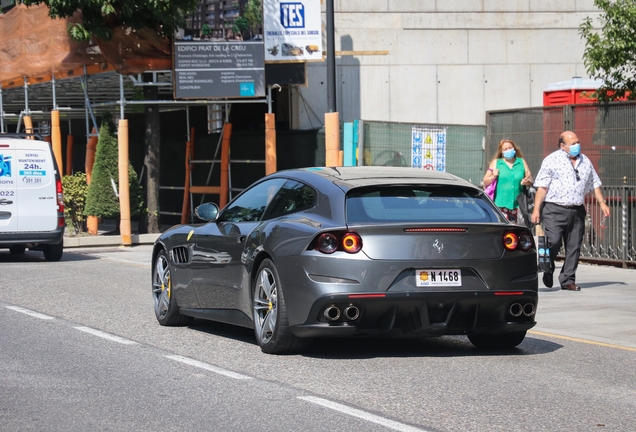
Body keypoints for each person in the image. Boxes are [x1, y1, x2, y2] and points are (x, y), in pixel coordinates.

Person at [531, 131, 611, 291]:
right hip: (554, 209)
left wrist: (602, 203)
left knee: (574, 246)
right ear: (563, 146)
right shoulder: (552, 160)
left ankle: (567, 279)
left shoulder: (585, 161)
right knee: (552, 241)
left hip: (576, 210)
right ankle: (548, 266)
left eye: (577, 142)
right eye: (572, 143)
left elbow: (594, 183)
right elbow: (542, 187)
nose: (576, 146)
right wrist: (536, 209)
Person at [483, 139, 533, 223]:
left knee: (516, 233)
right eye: (505, 149)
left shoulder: (521, 162)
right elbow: (485, 181)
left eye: (510, 148)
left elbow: (530, 178)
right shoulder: (496, 163)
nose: (508, 150)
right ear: (501, 152)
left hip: (518, 206)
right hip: (500, 205)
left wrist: (526, 181)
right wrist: (493, 176)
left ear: (514, 149)